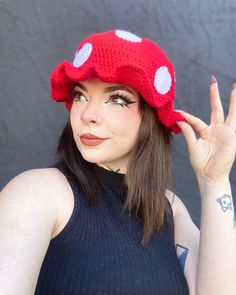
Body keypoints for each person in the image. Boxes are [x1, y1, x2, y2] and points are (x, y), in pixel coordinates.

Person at [0, 29, 235, 295]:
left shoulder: (168, 208)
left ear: (151, 116)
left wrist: (215, 181)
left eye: (116, 99)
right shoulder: (39, 192)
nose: (88, 114)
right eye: (80, 95)